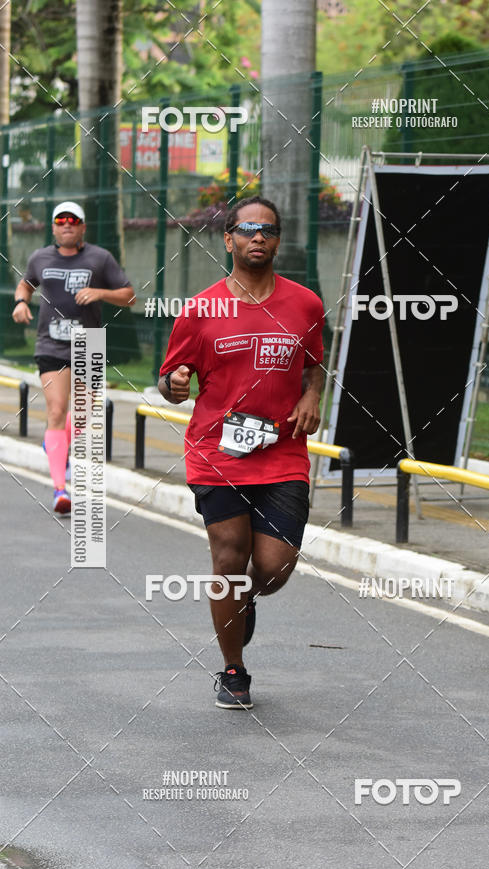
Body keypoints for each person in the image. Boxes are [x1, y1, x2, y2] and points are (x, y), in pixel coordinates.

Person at [159, 196, 324, 710]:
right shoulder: (201, 308)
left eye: (268, 230)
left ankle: (245, 597)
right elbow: (168, 377)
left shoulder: (306, 305)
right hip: (217, 452)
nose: (259, 237)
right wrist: (176, 382)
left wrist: (313, 393)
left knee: (272, 569)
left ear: (278, 239)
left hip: (282, 453)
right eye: (248, 229)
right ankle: (234, 670)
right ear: (228, 238)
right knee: (229, 557)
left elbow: (315, 361)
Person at [12, 201, 135, 514]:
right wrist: (20, 302)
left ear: (82, 226)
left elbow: (129, 295)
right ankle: (59, 490)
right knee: (56, 410)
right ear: (53, 227)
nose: (66, 225)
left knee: (85, 414)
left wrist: (100, 293)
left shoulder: (100, 258)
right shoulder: (40, 257)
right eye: (60, 220)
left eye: (73, 220)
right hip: (50, 345)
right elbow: (26, 283)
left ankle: (54, 444)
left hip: (88, 344)